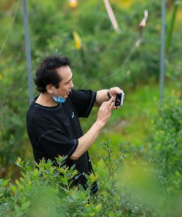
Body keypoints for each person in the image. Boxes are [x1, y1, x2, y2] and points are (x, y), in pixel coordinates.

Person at [26, 55, 122, 193]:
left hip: (84, 187)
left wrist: (109, 94)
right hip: (63, 196)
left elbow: (94, 98)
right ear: (51, 87)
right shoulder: (39, 119)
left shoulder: (63, 97)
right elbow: (74, 152)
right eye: (67, 83)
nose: (72, 86)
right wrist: (100, 122)